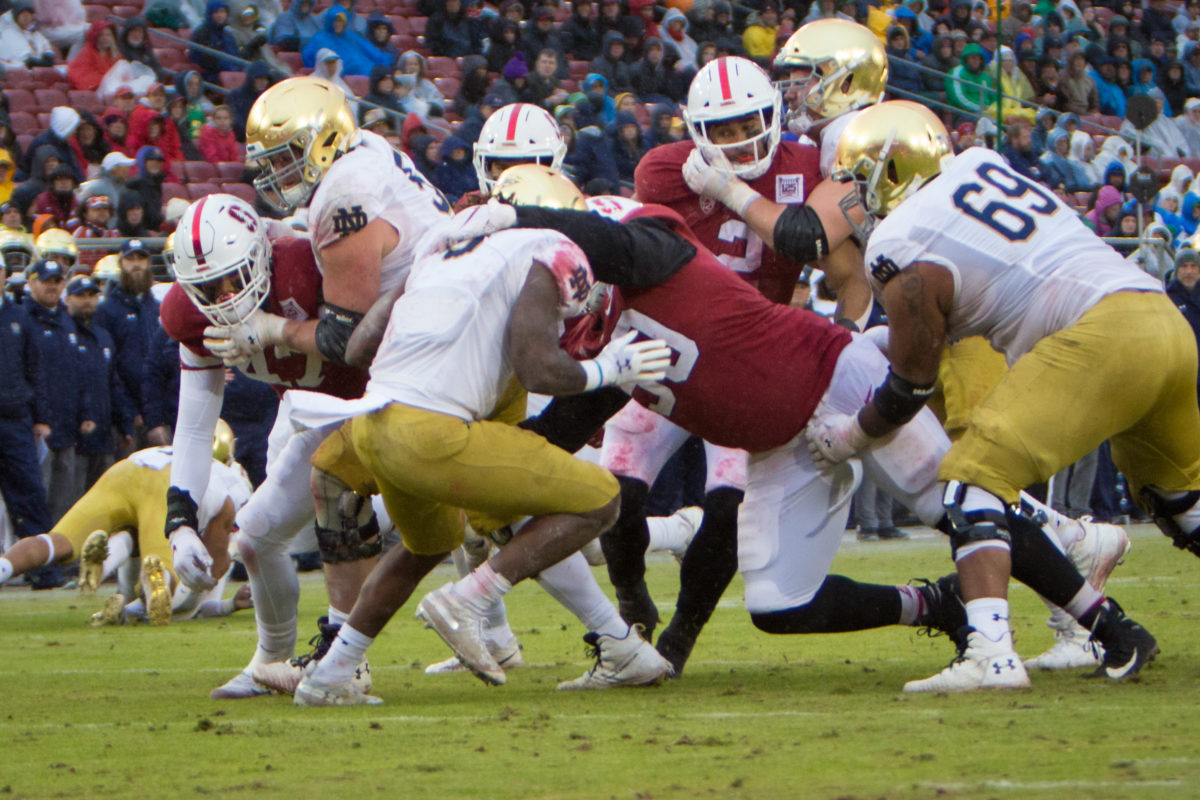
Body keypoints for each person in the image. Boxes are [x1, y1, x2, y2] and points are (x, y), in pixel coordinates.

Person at [811, 101, 1173, 691]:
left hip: (1083, 338)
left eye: (857, 179)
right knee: (1180, 505)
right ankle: (1101, 622)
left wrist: (851, 434)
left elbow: (910, 383)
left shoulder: (900, 236)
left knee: (972, 483)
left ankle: (999, 649)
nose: (851, 196)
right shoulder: (977, 161)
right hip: (1144, 312)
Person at [285, 181, 673, 705]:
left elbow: (356, 348)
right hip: (431, 434)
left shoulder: (442, 247)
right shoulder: (545, 248)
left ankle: (332, 674)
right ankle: (471, 597)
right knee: (601, 498)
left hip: (372, 426)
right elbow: (537, 367)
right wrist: (609, 368)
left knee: (427, 544)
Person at [196, 77, 453, 697]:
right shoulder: (364, 155)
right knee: (261, 532)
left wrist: (271, 328)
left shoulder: (346, 195)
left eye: (287, 158)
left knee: (340, 493)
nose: (279, 176)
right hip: (426, 352)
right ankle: (279, 662)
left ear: (325, 141)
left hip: (427, 365)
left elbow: (345, 340)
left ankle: (343, 657)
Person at [0, 434, 250, 627]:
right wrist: (225, 597)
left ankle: (7, 566)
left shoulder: (180, 450)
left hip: (126, 470)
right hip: (166, 485)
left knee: (58, 541)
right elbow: (214, 569)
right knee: (168, 573)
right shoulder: (232, 481)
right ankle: (149, 587)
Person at [24, 258, 93, 527]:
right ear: (32, 282)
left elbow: (79, 370)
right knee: (36, 496)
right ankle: (34, 559)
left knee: (66, 499)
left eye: (57, 281)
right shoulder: (24, 319)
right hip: (36, 429)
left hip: (67, 426)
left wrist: (85, 411)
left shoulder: (66, 320)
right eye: (46, 281)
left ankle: (61, 561)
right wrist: (34, 418)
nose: (52, 287)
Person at [65, 274, 131, 495]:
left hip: (103, 435)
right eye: (80, 295)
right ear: (68, 299)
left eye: (92, 295)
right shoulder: (64, 333)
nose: (87, 300)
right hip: (74, 437)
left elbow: (113, 382)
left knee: (105, 497)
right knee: (71, 499)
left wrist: (124, 425)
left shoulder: (104, 336)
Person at [94, 239, 158, 454]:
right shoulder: (107, 310)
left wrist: (156, 411)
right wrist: (128, 412)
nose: (136, 264)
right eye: (130, 259)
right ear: (121, 264)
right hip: (126, 419)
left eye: (141, 258)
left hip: (158, 415)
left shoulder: (158, 308)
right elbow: (109, 367)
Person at [472, 103, 568, 195]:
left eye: (525, 168)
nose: (512, 181)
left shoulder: (573, 205)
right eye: (502, 168)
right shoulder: (471, 206)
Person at [0, 1, 56, 69]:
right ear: (16, 16)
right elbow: (28, 62)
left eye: (29, 14)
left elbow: (48, 55)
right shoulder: (9, 33)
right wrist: (42, 63)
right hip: (16, 72)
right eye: (23, 14)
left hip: (37, 71)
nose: (26, 17)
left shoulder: (36, 34)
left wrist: (47, 59)